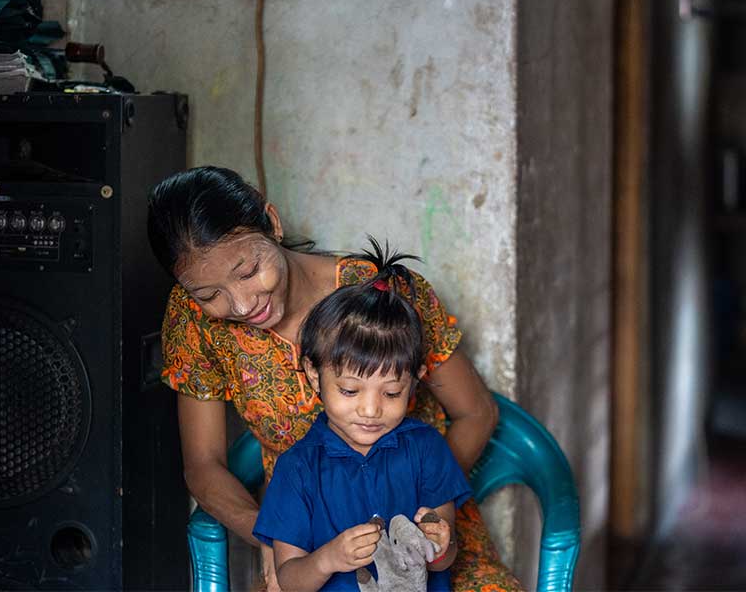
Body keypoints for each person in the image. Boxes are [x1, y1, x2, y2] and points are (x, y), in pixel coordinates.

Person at [147, 166, 522, 591]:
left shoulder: (381, 295)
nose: (242, 303)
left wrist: (422, 518)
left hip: (422, 535)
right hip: (307, 544)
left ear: (272, 222)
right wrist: (275, 535)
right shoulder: (193, 320)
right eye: (210, 295)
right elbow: (202, 466)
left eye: (249, 271)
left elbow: (476, 413)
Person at [253, 246, 472, 591]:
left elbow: (444, 557)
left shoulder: (426, 448)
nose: (370, 411)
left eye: (391, 393)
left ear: (416, 379)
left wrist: (441, 543)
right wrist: (328, 558)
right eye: (350, 391)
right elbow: (290, 581)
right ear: (313, 374)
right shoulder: (297, 469)